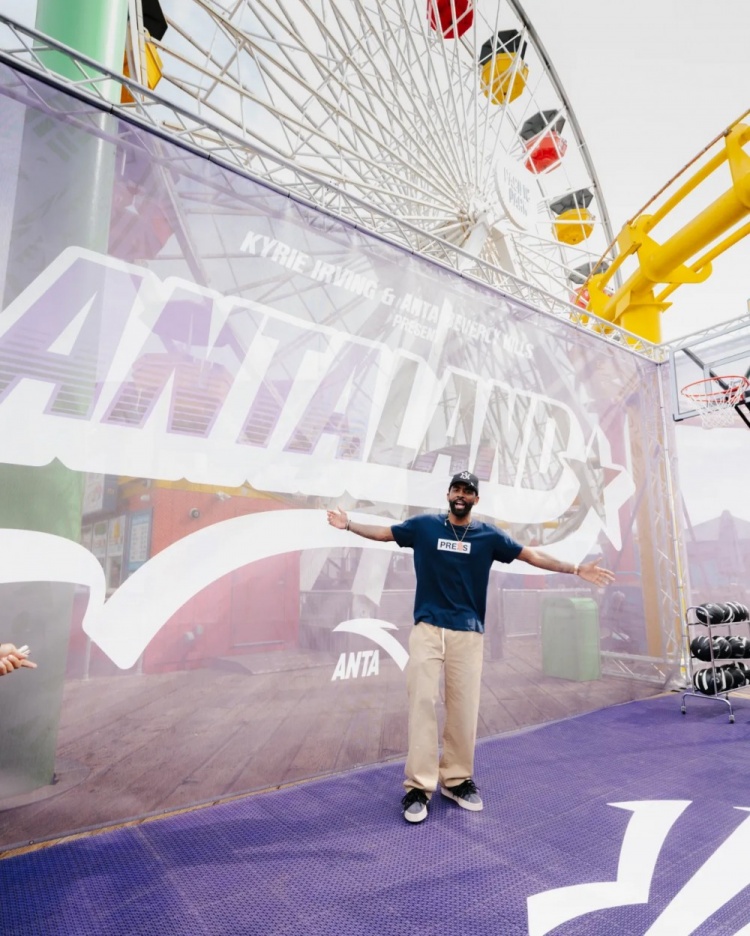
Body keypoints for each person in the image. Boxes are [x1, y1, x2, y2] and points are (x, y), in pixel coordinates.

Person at [327, 470, 614, 824]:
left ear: (476, 499)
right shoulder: (424, 527)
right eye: (456, 489)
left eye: (468, 491)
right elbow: (385, 533)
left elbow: (530, 555)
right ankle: (418, 787)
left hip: (467, 633)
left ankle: (456, 780)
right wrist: (349, 524)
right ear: (448, 495)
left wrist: (575, 568)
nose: (461, 495)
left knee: (464, 709)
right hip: (428, 629)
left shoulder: (488, 536)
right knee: (422, 703)